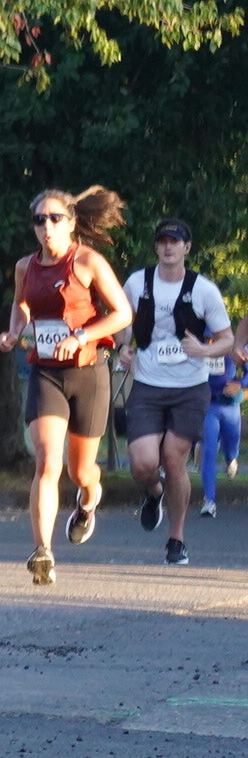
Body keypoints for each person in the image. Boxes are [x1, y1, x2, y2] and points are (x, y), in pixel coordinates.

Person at [0, 187, 130, 583]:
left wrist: (82, 336)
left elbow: (122, 313)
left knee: (81, 470)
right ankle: (43, 551)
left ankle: (88, 500)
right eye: (40, 220)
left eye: (55, 218)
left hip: (88, 372)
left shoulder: (87, 261)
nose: (47, 226)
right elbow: (21, 305)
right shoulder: (25, 267)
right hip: (46, 372)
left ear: (71, 223)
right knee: (46, 461)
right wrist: (13, 332)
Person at [119, 218, 236, 567]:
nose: (168, 247)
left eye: (175, 241)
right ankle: (154, 492)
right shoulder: (137, 283)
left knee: (173, 458)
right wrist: (123, 346)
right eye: (163, 241)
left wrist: (204, 350)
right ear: (156, 247)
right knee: (143, 464)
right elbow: (122, 323)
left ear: (187, 247)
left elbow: (227, 339)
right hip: (148, 385)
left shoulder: (203, 290)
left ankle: (177, 539)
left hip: (189, 389)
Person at [203, 347, 242, 519]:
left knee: (231, 448)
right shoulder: (199, 349)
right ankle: (209, 501)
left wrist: (239, 384)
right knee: (209, 451)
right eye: (208, 338)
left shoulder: (235, 349)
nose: (211, 342)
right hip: (208, 406)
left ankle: (230, 459)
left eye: (214, 338)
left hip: (230, 406)